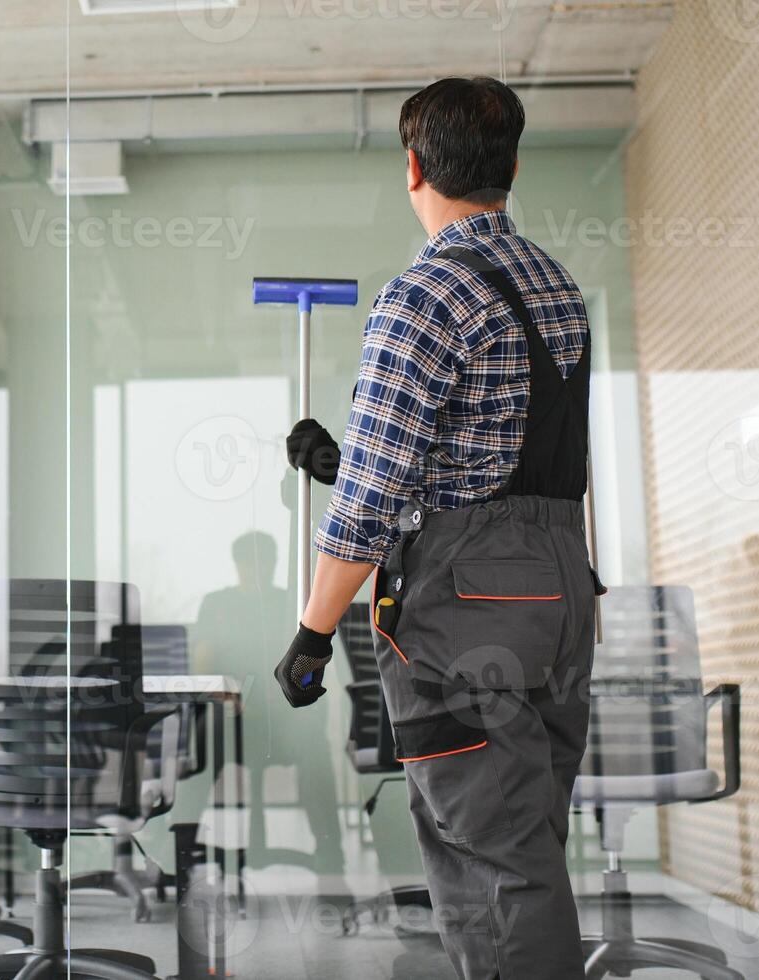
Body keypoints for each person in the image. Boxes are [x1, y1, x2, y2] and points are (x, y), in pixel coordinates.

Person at [273, 76, 600, 979]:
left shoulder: (423, 293)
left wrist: (310, 632)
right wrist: (340, 463)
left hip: (467, 610)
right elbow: (502, 453)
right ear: (512, 168)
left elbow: (376, 499)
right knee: (523, 838)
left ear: (413, 166)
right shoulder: (555, 284)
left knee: (488, 860)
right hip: (559, 592)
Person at [194, 530, 344, 875]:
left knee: (313, 746)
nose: (257, 569)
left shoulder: (289, 603)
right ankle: (176, 845)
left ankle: (331, 858)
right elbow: (202, 662)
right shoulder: (218, 604)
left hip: (282, 719)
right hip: (233, 720)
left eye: (265, 561)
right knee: (199, 737)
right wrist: (227, 695)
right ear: (238, 564)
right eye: (249, 561)